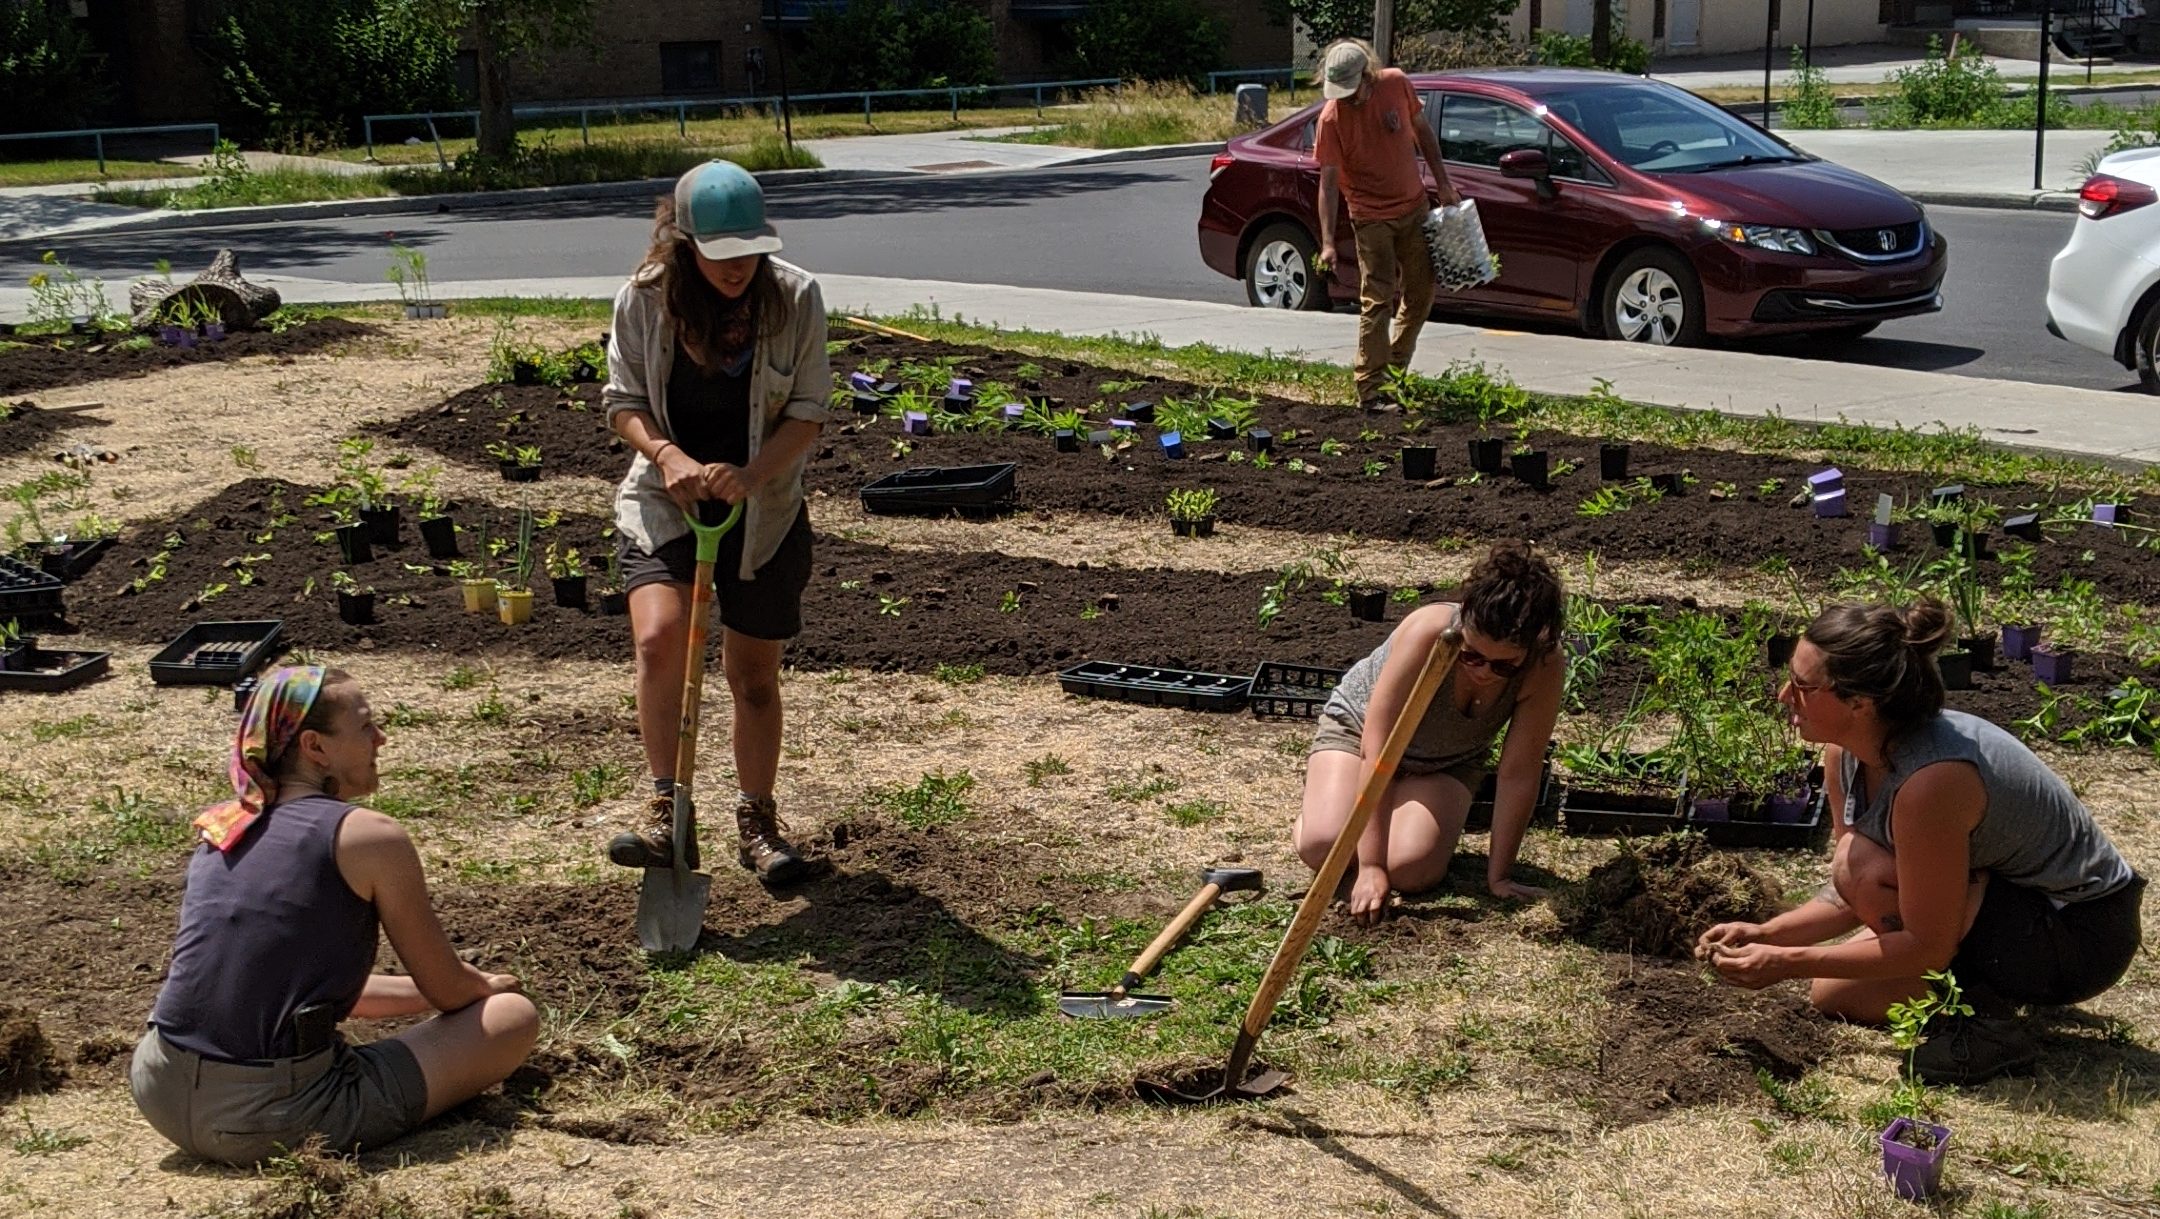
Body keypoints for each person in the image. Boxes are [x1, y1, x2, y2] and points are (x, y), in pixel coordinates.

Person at [1698, 600, 2146, 1085]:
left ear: (1858, 702)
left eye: (1804, 687)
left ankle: (1984, 1023)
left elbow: (1921, 940)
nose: (1785, 696)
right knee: (1833, 995)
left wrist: (1785, 963)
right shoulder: (1845, 756)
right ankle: (1977, 991)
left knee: (1866, 874)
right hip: (2007, 909)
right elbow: (1850, 892)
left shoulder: (1932, 782)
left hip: (2078, 935)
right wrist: (1767, 934)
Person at [131, 666, 537, 1165]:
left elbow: (289, 986)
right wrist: (482, 993)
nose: (381, 739)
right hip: (274, 1118)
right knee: (511, 1017)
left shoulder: (225, 828)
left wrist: (472, 983)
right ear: (315, 747)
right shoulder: (369, 836)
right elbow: (448, 991)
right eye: (366, 726)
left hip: (158, 1088)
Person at [600, 159, 835, 884]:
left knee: (752, 677)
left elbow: (808, 411)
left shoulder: (795, 298)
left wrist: (751, 473)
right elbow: (622, 401)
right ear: (685, 244)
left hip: (763, 509)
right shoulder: (644, 300)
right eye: (722, 254)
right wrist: (667, 455)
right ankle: (666, 807)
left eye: (751, 252)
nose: (739, 268)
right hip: (667, 500)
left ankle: (756, 821)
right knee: (660, 636)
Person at [1294, 542, 1566, 922]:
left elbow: (1518, 771)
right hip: (1360, 739)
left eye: (1504, 667)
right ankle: (1327, 808)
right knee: (1328, 847)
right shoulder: (1429, 634)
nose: (1484, 672)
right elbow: (1378, 748)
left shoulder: (1546, 666)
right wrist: (1370, 866)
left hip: (1446, 761)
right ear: (1464, 622)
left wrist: (1499, 876)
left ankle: (1394, 811)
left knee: (1412, 872)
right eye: (1472, 655)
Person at [1311, 38, 1461, 413]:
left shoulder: (1395, 84)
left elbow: (1423, 133)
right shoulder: (1331, 119)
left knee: (1422, 292)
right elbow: (1328, 185)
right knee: (1377, 300)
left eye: (1353, 90)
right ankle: (1371, 389)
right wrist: (1328, 242)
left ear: (1368, 75)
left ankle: (1394, 370)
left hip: (1414, 208)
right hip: (1370, 217)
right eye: (1339, 93)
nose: (1347, 99)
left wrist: (1442, 183)